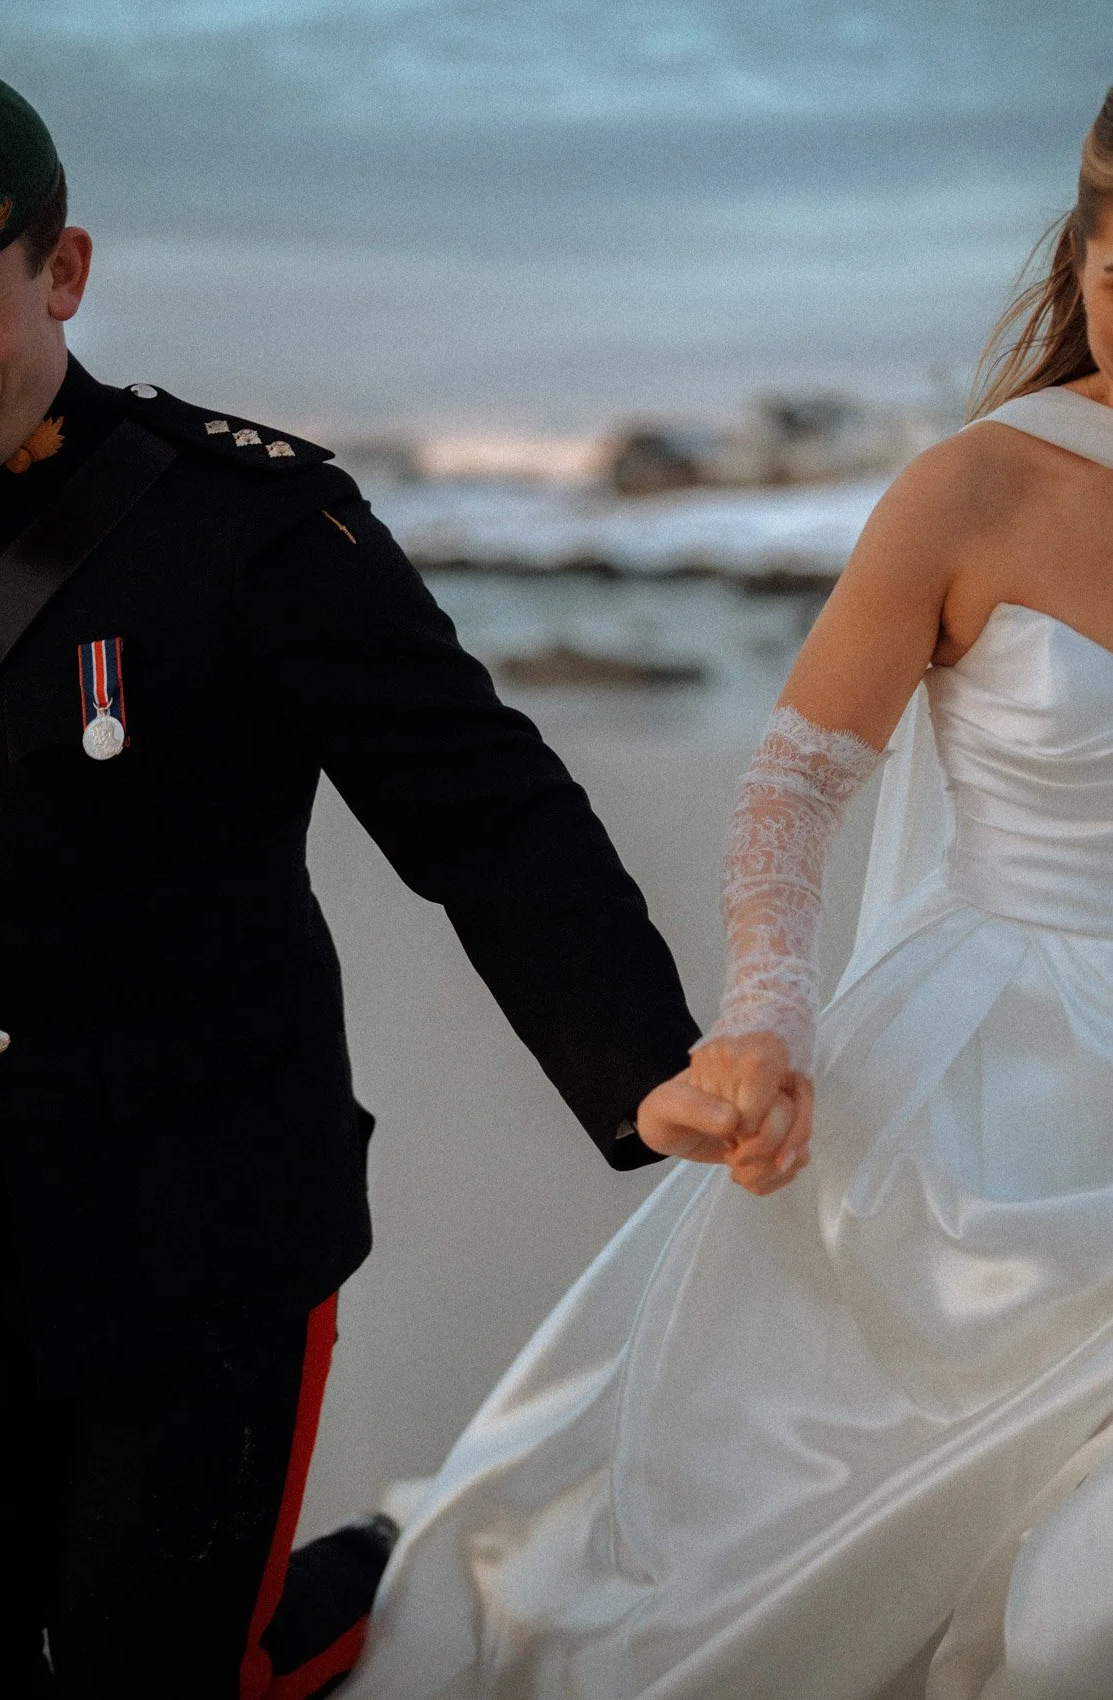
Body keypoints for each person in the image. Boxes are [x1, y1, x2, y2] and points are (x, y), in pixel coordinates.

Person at [0, 67, 748, 1699]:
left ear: (64, 272)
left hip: (193, 1250)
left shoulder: (240, 526)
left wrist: (648, 1063)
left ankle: (377, 1575)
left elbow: (488, 814)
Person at [349, 87, 1113, 1700]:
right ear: (1082, 259)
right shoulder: (975, 489)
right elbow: (793, 785)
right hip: (981, 1095)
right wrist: (768, 1011)